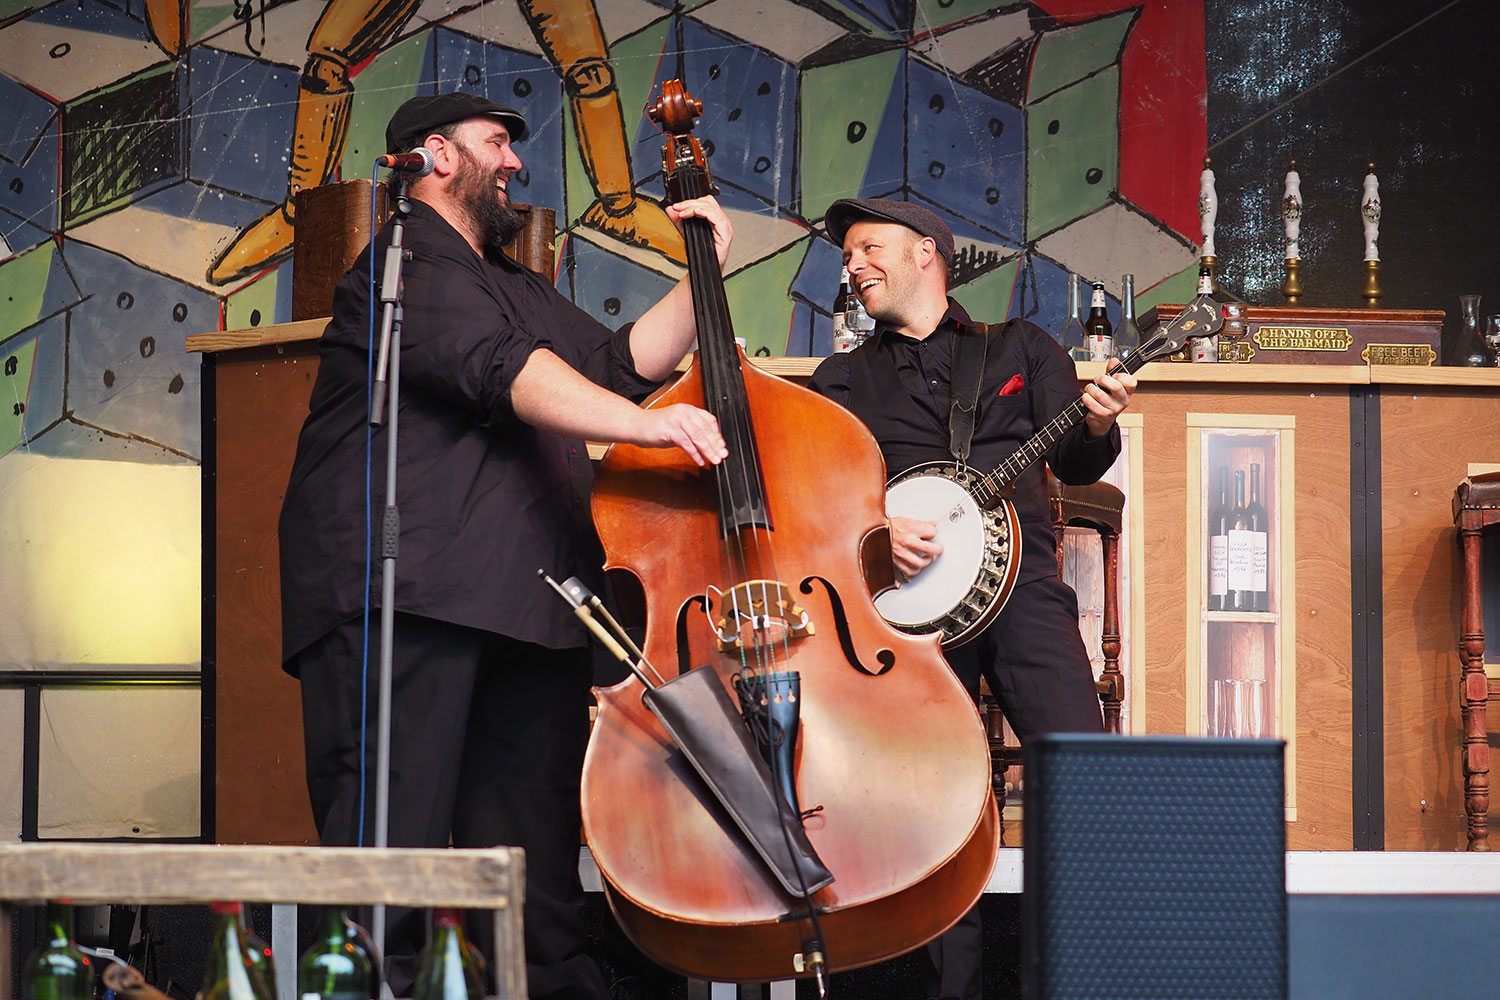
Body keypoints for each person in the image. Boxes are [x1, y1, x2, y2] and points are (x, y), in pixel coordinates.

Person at [276, 92, 731, 999]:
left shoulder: (513, 283)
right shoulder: (405, 261)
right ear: (435, 156)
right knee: (388, 876)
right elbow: (506, 374)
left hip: (527, 605)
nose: (516, 164)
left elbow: (613, 371)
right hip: (405, 597)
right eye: (497, 144)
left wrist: (704, 274)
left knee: (535, 890)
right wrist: (652, 435)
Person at [807, 198, 1137, 1000]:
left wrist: (1098, 423)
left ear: (928, 253)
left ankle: (1080, 975)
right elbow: (818, 491)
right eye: (848, 254)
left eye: (868, 247)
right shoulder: (842, 376)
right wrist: (877, 524)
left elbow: (1086, 464)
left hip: (1021, 592)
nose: (852, 265)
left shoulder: (1020, 346)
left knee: (1081, 773)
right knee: (938, 806)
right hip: (906, 614)